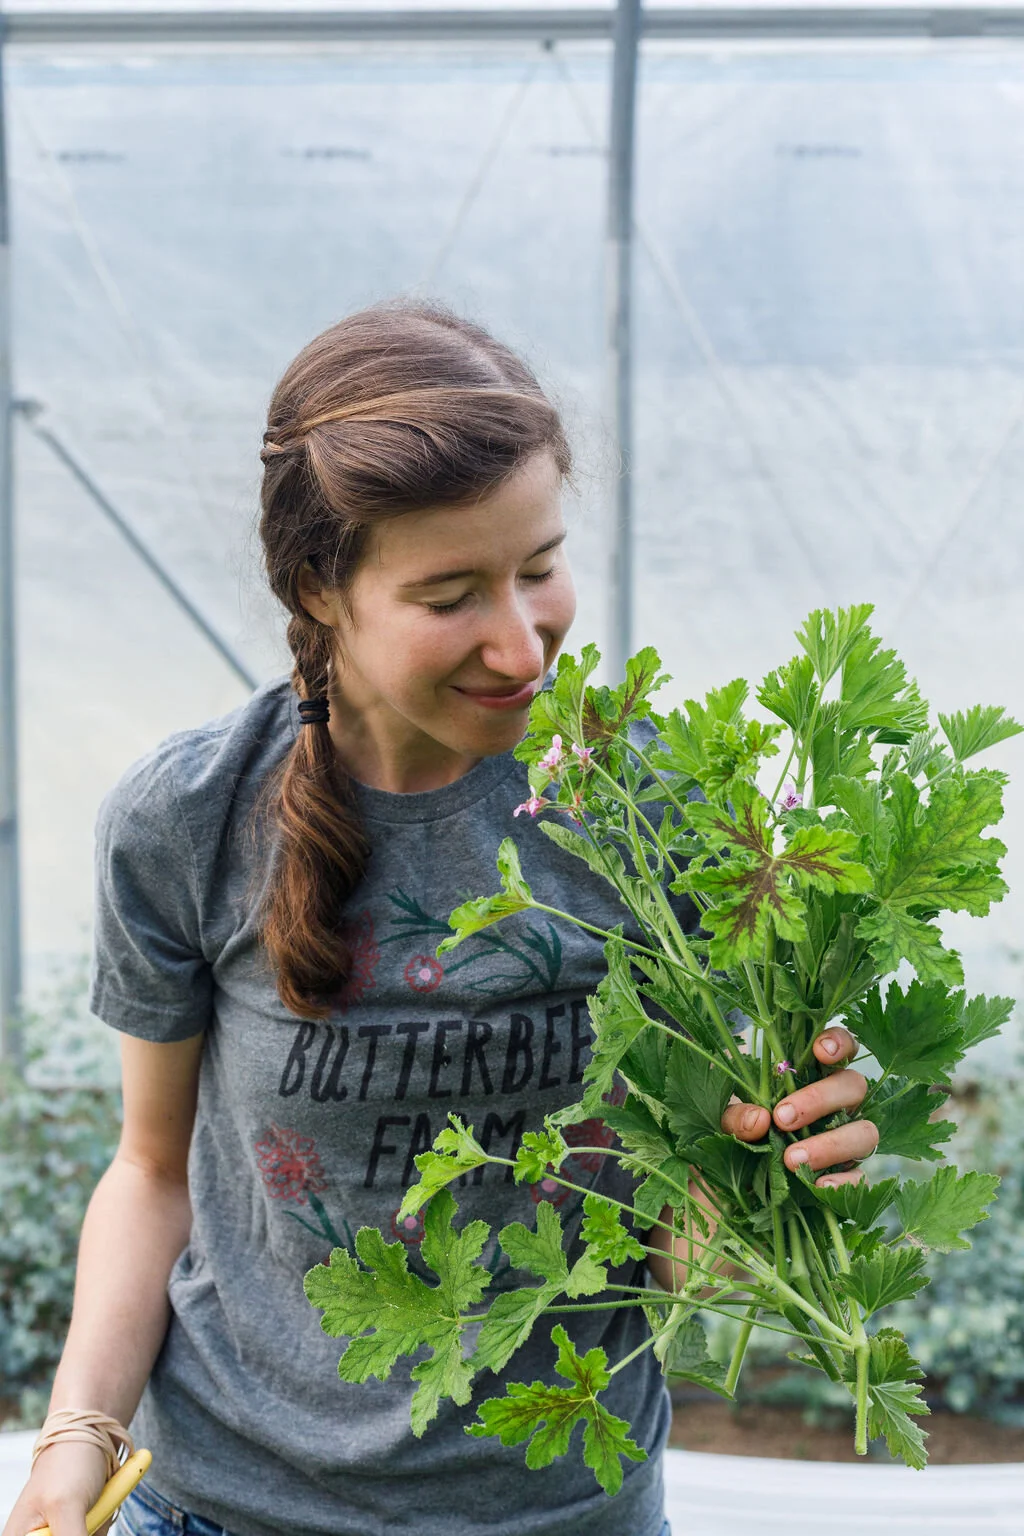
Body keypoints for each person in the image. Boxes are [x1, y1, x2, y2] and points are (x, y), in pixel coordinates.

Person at [4, 301, 878, 1536]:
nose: (522, 644)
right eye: (452, 593)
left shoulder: (655, 815)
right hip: (222, 1508)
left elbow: (690, 1257)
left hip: (562, 1513)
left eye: (539, 568)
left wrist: (783, 1172)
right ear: (320, 586)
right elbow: (151, 1172)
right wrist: (75, 1441)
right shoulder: (187, 821)